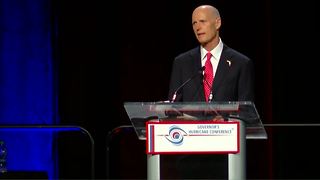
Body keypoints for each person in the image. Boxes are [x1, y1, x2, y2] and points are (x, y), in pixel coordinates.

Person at [165, 4, 255, 179]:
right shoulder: (182, 62)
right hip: (189, 158)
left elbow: (248, 112)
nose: (198, 27)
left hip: (227, 158)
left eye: (203, 21)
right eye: (194, 23)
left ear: (217, 23)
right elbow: (172, 107)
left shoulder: (240, 63)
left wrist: (227, 120)